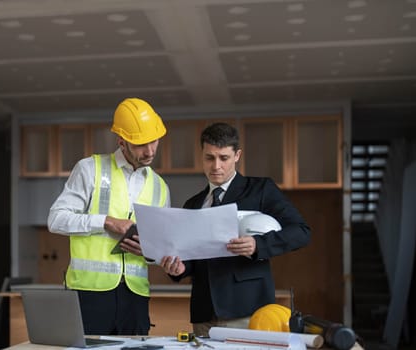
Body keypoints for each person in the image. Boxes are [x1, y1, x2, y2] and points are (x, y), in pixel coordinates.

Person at [159, 122, 310, 337]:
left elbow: (301, 232)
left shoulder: (261, 190)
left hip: (248, 311)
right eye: (209, 158)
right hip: (204, 313)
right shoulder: (193, 204)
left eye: (224, 158)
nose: (216, 166)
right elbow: (191, 257)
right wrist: (179, 269)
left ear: (237, 155)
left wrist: (258, 244)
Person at [48, 97, 170, 336]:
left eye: (154, 141)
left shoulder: (160, 186)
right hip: (89, 293)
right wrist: (106, 221)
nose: (149, 151)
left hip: (135, 297)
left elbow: (161, 247)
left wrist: (151, 251)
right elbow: (56, 219)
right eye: (140, 144)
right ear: (121, 142)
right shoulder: (89, 169)